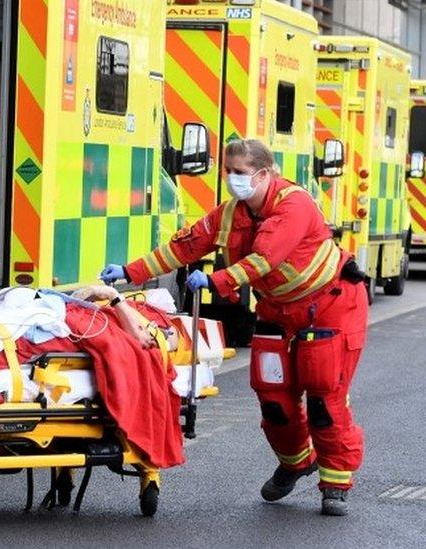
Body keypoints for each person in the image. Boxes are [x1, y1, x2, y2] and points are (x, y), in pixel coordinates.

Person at [101, 138, 368, 516]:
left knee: (324, 397)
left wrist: (217, 281)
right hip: (277, 311)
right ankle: (296, 463)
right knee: (274, 399)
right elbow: (184, 247)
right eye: (227, 171)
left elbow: (265, 260)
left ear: (263, 174)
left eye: (238, 173)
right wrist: (130, 272)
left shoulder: (295, 204)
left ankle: (336, 483)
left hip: (329, 308)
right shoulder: (231, 213)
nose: (230, 180)